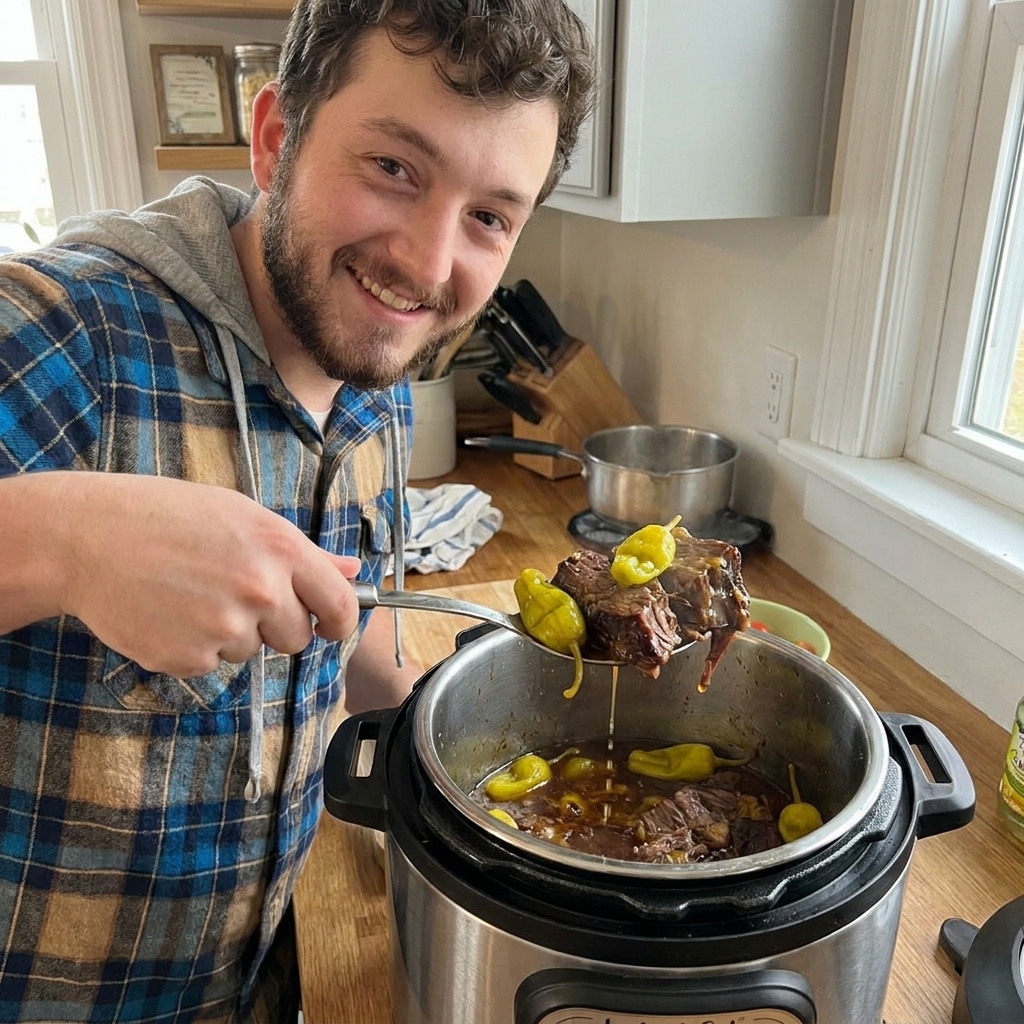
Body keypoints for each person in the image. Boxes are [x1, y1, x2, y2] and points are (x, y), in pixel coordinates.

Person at [0, 1, 594, 1020]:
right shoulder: (66, 329)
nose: (426, 262)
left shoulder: (383, 375)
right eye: (395, 169)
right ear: (276, 139)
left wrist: (413, 716)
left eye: (489, 215)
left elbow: (340, 611)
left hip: (252, 981)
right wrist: (65, 539)